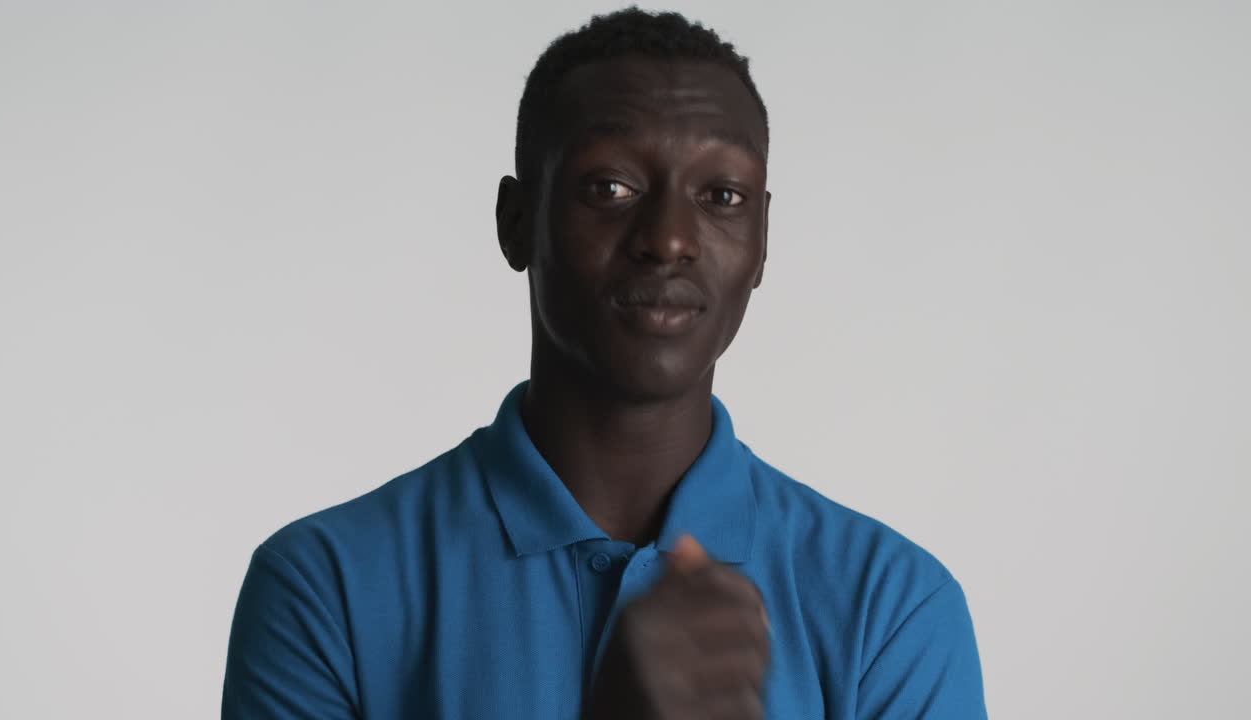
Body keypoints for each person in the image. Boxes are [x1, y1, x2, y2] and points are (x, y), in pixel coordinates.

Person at [221, 8, 988, 719]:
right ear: (517, 223)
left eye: (722, 195)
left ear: (761, 245)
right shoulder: (326, 587)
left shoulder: (893, 607)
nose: (669, 238)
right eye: (610, 186)